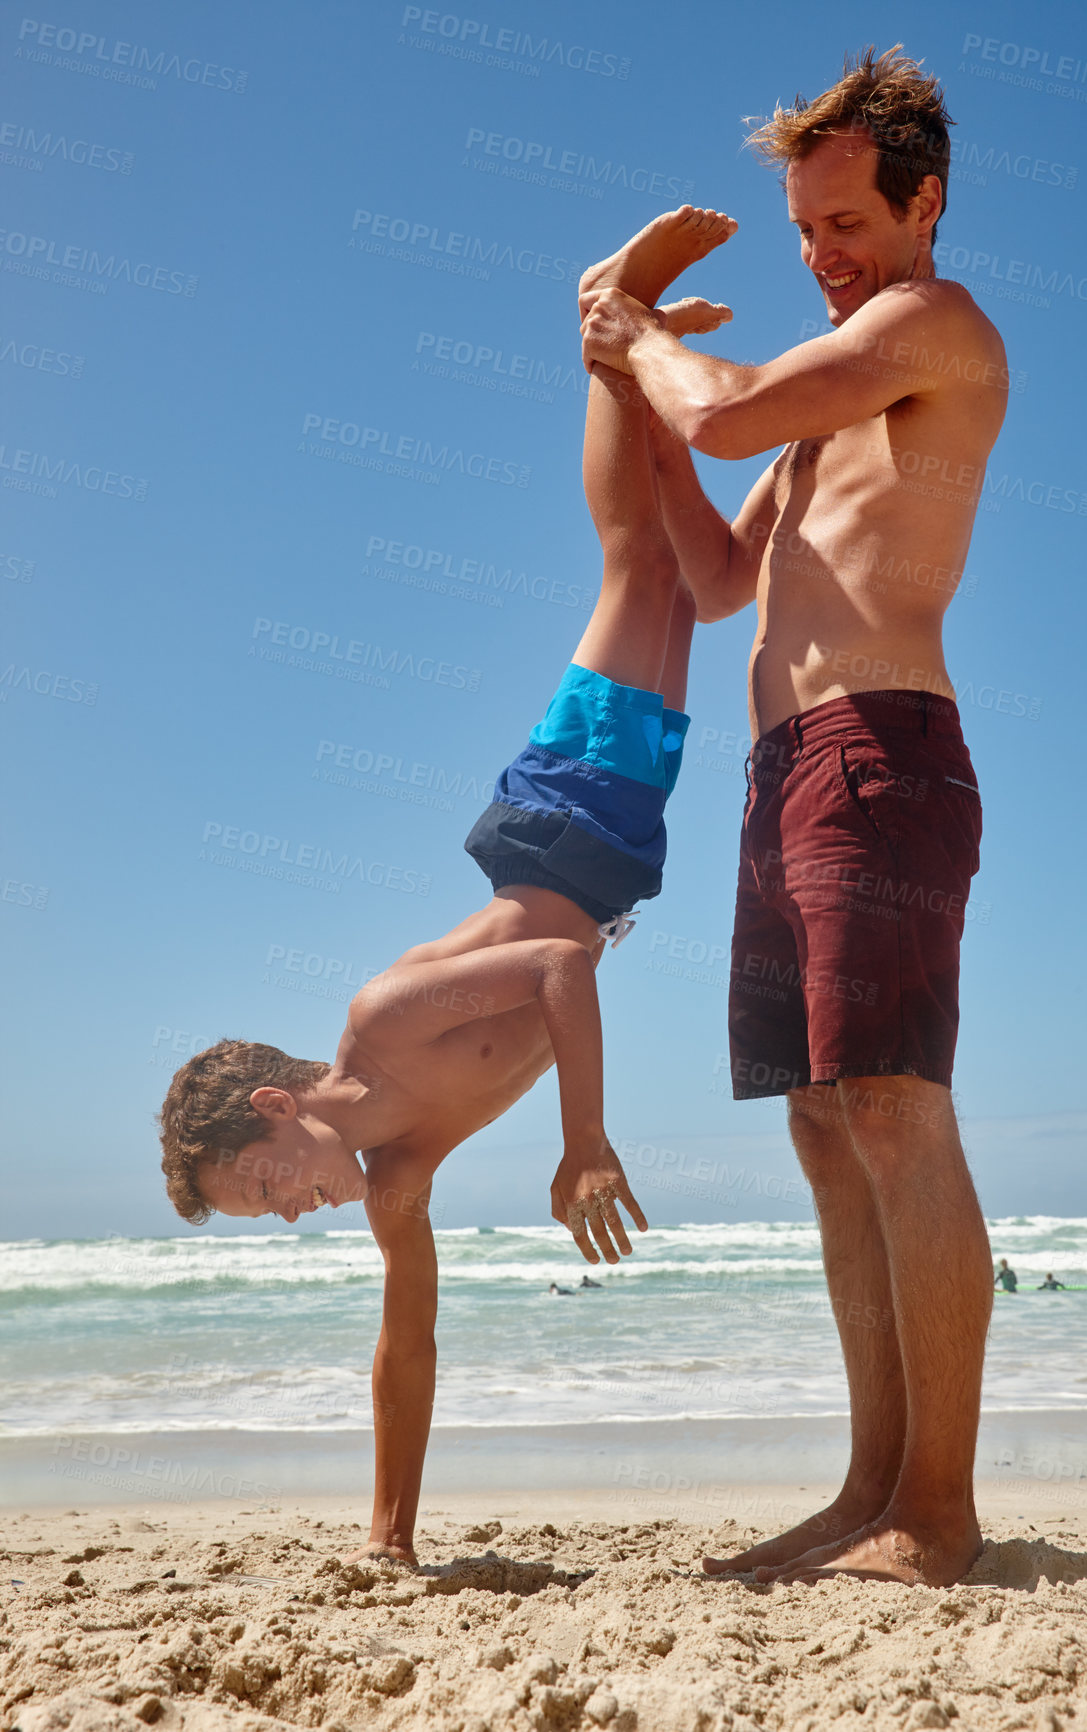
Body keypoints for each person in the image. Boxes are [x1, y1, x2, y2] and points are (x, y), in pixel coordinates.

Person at [157, 251, 736, 1565]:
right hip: (617, 854)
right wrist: (389, 1543)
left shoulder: (379, 1025)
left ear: (275, 1108)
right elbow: (404, 1347)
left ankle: (607, 320)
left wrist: (584, 1141)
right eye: (269, 1212)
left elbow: (557, 974)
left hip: (556, 812)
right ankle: (651, 365)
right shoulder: (397, 1179)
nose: (292, 1209)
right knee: (698, 581)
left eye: (268, 1186)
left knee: (635, 562)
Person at [579, 47, 1006, 1589]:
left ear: (922, 204)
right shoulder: (833, 396)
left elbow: (734, 411)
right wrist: (619, 375)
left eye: (842, 223)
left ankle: (939, 1513)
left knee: (892, 1107)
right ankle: (870, 1490)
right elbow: (705, 573)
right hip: (784, 770)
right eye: (805, 230)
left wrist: (643, 338)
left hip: (884, 751)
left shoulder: (927, 327)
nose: (820, 257)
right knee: (829, 1129)